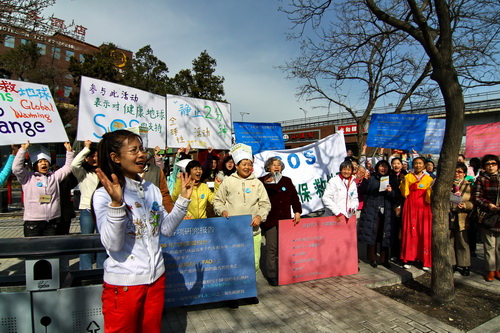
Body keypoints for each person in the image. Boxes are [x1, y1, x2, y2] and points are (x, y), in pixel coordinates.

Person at [92, 129, 194, 332]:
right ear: (115, 157)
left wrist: (182, 201)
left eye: (142, 149)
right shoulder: (103, 195)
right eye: (134, 150)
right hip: (124, 286)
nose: (142, 155)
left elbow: (165, 229)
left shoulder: (152, 189)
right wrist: (116, 204)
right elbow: (112, 245)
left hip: (156, 280)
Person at [213, 143, 271, 308]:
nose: (247, 167)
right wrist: (222, 210)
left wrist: (260, 215)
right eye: (244, 164)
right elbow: (217, 201)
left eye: (250, 164)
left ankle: (249, 291)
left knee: (254, 264)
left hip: (253, 232)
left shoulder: (257, 183)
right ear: (237, 165)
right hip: (232, 233)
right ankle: (231, 294)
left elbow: (265, 204)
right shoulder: (228, 181)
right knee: (233, 263)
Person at [12, 141, 75, 236]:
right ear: (34, 164)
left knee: (51, 249)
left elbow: (68, 167)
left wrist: (69, 152)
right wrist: (23, 150)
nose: (43, 163)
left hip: (52, 222)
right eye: (40, 162)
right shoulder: (27, 177)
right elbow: (16, 169)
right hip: (33, 223)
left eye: (45, 161)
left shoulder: (54, 176)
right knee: (34, 250)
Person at [259, 157, 302, 286]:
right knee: (271, 248)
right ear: (268, 168)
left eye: (279, 165)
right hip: (270, 220)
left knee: (284, 248)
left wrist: (297, 211)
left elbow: (294, 197)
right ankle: (272, 275)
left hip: (285, 220)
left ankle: (285, 272)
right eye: (274, 165)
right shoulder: (262, 181)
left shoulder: (287, 181)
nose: (277, 167)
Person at [71, 140, 107, 269]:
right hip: (87, 210)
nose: (95, 158)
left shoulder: (106, 172)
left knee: (102, 242)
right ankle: (84, 270)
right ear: (86, 159)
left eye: (97, 155)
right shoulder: (83, 173)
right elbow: (74, 164)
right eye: (92, 156)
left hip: (103, 211)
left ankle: (101, 269)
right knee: (86, 242)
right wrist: (86, 148)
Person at [358, 160, 400, 268]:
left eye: (385, 166)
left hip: (387, 211)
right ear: (377, 167)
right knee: (373, 233)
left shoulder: (392, 179)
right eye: (381, 166)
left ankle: (384, 259)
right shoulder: (372, 178)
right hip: (373, 210)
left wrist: (391, 191)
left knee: (385, 234)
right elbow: (364, 190)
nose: (383, 168)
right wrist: (366, 181)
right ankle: (372, 258)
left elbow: (396, 196)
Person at [399, 157, 433, 271]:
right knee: (410, 231)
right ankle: (409, 258)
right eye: (416, 163)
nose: (418, 165)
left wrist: (430, 189)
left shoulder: (429, 179)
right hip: (410, 206)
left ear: (424, 166)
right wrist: (404, 183)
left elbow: (430, 196)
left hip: (424, 207)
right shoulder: (408, 177)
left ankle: (425, 259)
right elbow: (404, 193)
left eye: (420, 163)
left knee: (424, 232)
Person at [472, 154, 500, 282]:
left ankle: (498, 269)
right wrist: (489, 205)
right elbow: (477, 197)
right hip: (487, 215)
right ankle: (490, 269)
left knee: (499, 246)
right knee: (489, 245)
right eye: (488, 164)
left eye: (493, 164)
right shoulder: (481, 179)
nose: (491, 166)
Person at [449, 162, 473, 276]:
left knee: (463, 242)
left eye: (460, 172)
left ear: (464, 173)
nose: (457, 174)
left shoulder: (469, 185)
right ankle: (452, 263)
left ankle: (465, 265)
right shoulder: (448, 184)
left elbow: (473, 202)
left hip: (462, 217)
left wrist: (466, 205)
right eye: (455, 171)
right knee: (450, 241)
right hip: (449, 215)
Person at [389, 157, 407, 262]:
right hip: (392, 206)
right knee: (394, 231)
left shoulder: (406, 176)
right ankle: (394, 253)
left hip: (404, 206)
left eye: (398, 163)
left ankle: (403, 253)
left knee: (404, 231)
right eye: (394, 163)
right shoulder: (389, 176)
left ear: (401, 164)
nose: (396, 165)